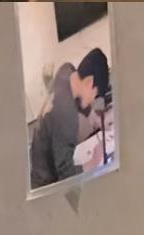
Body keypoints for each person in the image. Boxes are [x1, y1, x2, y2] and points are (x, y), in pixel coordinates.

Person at [29, 48, 110, 190]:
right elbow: (66, 175)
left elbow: (76, 97)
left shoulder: (67, 71)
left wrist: (91, 115)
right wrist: (93, 161)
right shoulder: (67, 118)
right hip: (46, 184)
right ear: (90, 82)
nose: (93, 101)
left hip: (37, 161)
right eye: (95, 95)